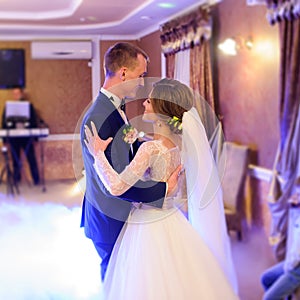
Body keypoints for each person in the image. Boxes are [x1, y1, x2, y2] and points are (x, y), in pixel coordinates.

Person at [84, 78, 239, 299]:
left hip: (147, 225)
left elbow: (117, 187)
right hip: (172, 218)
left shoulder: (150, 149)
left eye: (149, 100)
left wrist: (98, 155)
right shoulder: (180, 145)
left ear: (161, 108)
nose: (144, 104)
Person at [80, 43, 180, 281]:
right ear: (123, 73)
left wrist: (147, 147)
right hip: (109, 216)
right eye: (141, 75)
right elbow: (114, 185)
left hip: (122, 213)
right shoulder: (99, 117)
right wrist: (164, 189)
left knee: (128, 277)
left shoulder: (116, 108)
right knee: (115, 277)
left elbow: (126, 153)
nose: (142, 82)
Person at [261, 183, 300, 300]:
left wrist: (288, 267)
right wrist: (294, 209)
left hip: (296, 267)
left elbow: (296, 255)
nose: (296, 196)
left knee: (268, 298)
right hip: (293, 261)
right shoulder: (296, 211)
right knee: (266, 278)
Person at [1, 87, 40, 185]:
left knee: (31, 158)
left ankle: (36, 180)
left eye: (18, 93)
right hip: (14, 138)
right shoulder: (9, 107)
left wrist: (35, 138)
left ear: (22, 94)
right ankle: (16, 180)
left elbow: (34, 121)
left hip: (27, 137)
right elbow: (4, 123)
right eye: (14, 94)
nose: (16, 95)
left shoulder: (29, 106)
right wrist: (4, 139)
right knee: (15, 160)